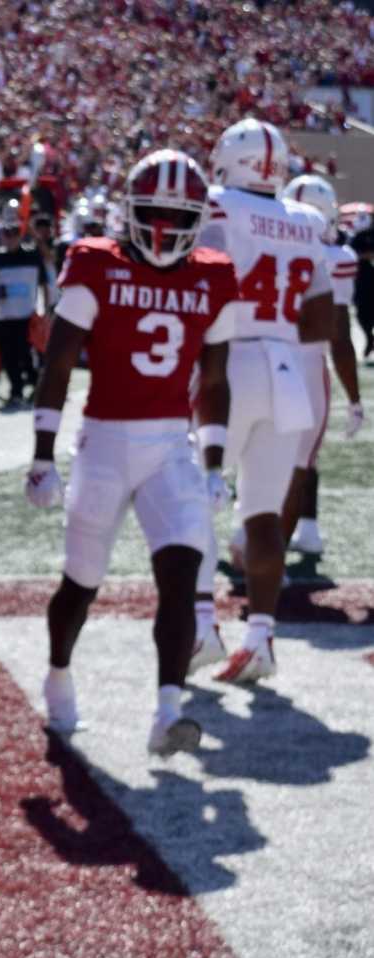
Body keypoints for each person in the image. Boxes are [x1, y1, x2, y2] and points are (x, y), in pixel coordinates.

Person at [25, 149, 238, 756]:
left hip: (171, 443)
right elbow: (60, 362)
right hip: (105, 442)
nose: (165, 228)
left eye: (178, 215)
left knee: (181, 576)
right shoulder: (96, 263)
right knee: (82, 582)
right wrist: (43, 455)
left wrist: (216, 463)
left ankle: (168, 712)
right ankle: (59, 673)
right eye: (154, 213)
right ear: (129, 211)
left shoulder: (215, 273)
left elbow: (216, 379)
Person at [191, 119, 335, 683]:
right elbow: (321, 316)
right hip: (284, 366)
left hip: (227, 364)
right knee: (264, 515)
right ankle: (261, 637)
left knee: (193, 500)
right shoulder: (305, 220)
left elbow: (197, 283)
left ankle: (202, 626)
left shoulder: (218, 207)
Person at [274, 175, 363, 557]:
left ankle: (259, 534)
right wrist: (354, 398)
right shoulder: (337, 259)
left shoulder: (254, 239)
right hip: (306, 364)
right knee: (301, 458)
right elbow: (339, 336)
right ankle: (280, 543)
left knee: (262, 455)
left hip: (258, 357)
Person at [0, 221, 50, 405]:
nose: (10, 238)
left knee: (27, 355)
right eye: (6, 234)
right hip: (4, 315)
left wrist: (46, 311)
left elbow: (44, 284)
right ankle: (15, 391)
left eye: (14, 234)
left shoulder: (33, 255)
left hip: (28, 315)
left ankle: (37, 386)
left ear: (20, 235)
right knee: (9, 356)